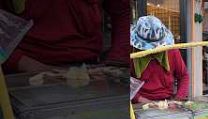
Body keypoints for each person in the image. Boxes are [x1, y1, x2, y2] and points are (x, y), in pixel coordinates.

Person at [0, 0, 129, 73]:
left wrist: (117, 59)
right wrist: (20, 62)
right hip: (23, 72)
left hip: (88, 69)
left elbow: (122, 11)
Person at [131, 16, 189, 103]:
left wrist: (178, 99)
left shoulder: (172, 51)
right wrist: (141, 99)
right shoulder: (131, 53)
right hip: (139, 102)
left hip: (167, 100)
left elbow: (184, 76)